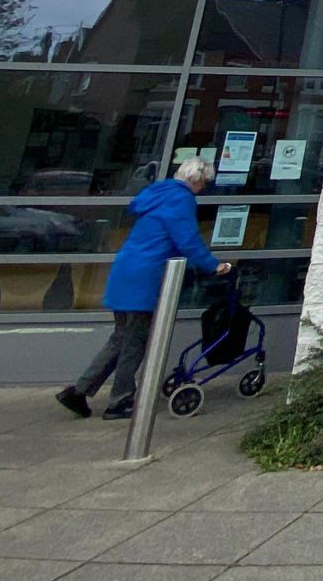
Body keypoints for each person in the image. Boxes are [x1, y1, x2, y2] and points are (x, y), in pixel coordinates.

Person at [56, 157, 232, 419]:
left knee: (120, 337)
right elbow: (187, 238)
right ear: (195, 179)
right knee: (134, 342)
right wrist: (213, 265)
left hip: (126, 269)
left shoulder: (157, 193)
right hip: (147, 275)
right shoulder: (181, 199)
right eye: (204, 183)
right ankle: (120, 400)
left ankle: (79, 391)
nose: (203, 188)